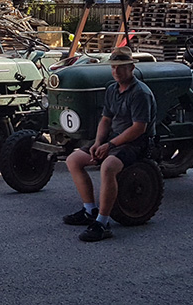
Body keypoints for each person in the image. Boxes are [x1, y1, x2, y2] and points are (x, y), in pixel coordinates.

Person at [63, 45, 156, 242]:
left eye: (121, 67)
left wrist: (110, 146)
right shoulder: (112, 89)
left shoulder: (141, 93)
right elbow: (105, 119)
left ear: (131, 67)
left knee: (108, 166)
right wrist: (97, 143)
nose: (116, 71)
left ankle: (103, 222)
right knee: (73, 160)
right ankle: (89, 210)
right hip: (114, 139)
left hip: (136, 143)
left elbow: (139, 128)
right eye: (113, 67)